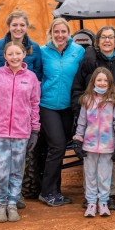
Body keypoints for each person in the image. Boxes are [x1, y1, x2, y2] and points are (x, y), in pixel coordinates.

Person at [69, 26, 115, 210]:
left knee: (113, 159)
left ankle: (111, 195)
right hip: (91, 121)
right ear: (97, 41)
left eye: (110, 37)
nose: (107, 41)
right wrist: (81, 109)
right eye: (103, 37)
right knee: (90, 161)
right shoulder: (89, 61)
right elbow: (77, 87)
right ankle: (90, 196)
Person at [0, 41, 41, 223]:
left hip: (22, 131)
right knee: (0, 170)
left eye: (18, 53)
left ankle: (12, 204)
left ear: (24, 54)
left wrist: (35, 130)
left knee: (16, 170)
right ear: (5, 56)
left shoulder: (31, 77)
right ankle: (0, 204)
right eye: (10, 54)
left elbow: (35, 105)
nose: (15, 57)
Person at [37, 18, 85, 207]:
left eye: (63, 31)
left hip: (69, 107)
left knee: (61, 147)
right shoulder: (42, 52)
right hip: (47, 105)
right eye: (56, 32)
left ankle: (55, 191)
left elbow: (84, 75)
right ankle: (47, 192)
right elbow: (35, 75)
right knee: (57, 146)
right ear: (51, 33)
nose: (60, 35)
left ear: (69, 33)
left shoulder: (78, 51)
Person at [71, 67, 115, 218]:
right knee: (90, 175)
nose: (102, 83)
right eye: (99, 80)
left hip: (108, 146)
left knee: (104, 176)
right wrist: (78, 140)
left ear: (110, 82)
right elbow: (82, 123)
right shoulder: (87, 100)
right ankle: (90, 203)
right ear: (93, 82)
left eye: (105, 80)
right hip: (89, 145)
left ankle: (103, 202)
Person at [0, 10, 43, 81]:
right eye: (14, 25)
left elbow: (37, 74)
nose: (18, 28)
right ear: (9, 26)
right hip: (2, 87)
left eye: (22, 25)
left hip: (25, 87)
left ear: (27, 27)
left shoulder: (34, 47)